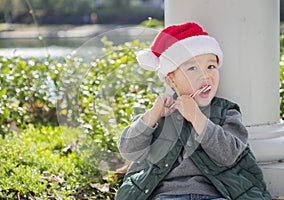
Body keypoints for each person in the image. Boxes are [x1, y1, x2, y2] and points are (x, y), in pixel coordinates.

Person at [115, 22, 272, 200]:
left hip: (215, 195)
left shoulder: (227, 112)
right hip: (167, 196)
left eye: (211, 67)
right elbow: (128, 150)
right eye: (192, 68)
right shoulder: (160, 114)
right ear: (171, 80)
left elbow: (229, 155)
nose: (205, 75)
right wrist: (152, 116)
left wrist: (197, 118)